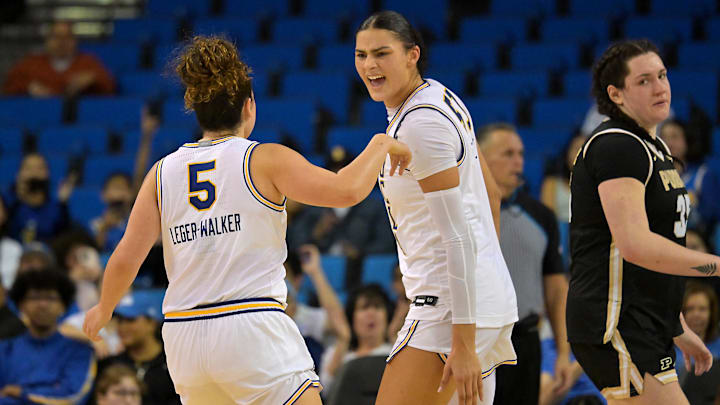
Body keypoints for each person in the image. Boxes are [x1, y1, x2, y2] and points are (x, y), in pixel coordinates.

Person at [82, 35, 411, 405]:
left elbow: (127, 253)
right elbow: (346, 191)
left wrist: (104, 307)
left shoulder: (161, 172)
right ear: (249, 107)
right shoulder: (263, 158)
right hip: (248, 324)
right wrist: (381, 143)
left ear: (196, 110)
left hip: (183, 337)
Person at [354, 11, 517, 405]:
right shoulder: (441, 96)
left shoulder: (420, 123)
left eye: (382, 53)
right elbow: (491, 195)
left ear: (413, 54)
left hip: (448, 311)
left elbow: (458, 236)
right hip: (475, 302)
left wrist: (462, 342)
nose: (370, 65)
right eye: (361, 55)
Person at [566, 39, 720, 405]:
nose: (660, 87)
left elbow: (662, 250)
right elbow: (635, 245)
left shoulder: (654, 148)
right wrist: (715, 266)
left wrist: (676, 326)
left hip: (643, 318)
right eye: (644, 81)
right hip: (613, 316)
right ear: (616, 94)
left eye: (663, 76)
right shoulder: (616, 145)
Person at [476, 123, 574, 405]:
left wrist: (563, 354)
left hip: (525, 342)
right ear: (480, 158)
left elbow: (556, 292)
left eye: (520, 153)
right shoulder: (464, 211)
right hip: (476, 342)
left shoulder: (541, 216)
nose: (518, 160)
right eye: (507, 153)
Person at [0, 268, 95, 404]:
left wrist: (22, 393)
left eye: (51, 298)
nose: (42, 304)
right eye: (34, 297)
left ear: (63, 306)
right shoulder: (4, 350)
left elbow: (74, 396)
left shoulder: (80, 351)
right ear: (21, 306)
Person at [97, 291, 179, 405]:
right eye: (120, 320)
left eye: (130, 320)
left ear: (152, 323)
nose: (122, 327)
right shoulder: (110, 364)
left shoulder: (174, 365)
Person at [2, 21, 115, 97]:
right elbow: (8, 88)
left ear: (75, 41)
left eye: (67, 37)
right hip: (36, 119)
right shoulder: (30, 64)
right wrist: (28, 87)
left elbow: (110, 88)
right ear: (47, 40)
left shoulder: (88, 63)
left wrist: (92, 80)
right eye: (56, 37)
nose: (62, 42)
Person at [285, 245, 351, 370]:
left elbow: (339, 325)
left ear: (297, 280)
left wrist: (315, 272)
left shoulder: (308, 316)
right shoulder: (257, 319)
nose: (279, 280)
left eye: (284, 274)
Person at [319, 284, 394, 392]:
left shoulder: (395, 352)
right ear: (352, 317)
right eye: (364, 307)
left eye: (378, 307)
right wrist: (344, 340)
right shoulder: (336, 353)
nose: (371, 313)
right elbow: (325, 391)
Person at [3, 153, 75, 244]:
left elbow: (64, 237)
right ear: (19, 173)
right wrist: (16, 194)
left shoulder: (57, 208)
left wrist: (64, 205)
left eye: (39, 168)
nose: (34, 172)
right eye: (28, 168)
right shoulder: (10, 204)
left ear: (47, 173)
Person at [676, 281, 720, 404]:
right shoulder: (667, 349)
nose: (696, 314)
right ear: (681, 313)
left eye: (702, 309)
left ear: (712, 313)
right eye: (690, 309)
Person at [541, 133, 588, 224]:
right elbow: (547, 220)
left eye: (584, 148)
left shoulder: (599, 186)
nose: (579, 154)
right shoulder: (551, 183)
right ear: (567, 152)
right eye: (576, 148)